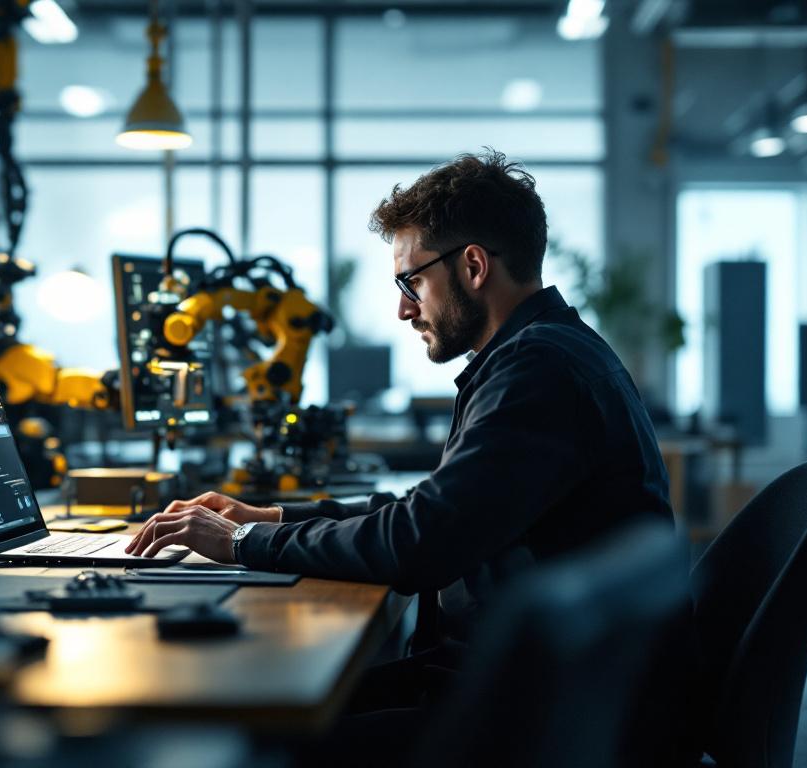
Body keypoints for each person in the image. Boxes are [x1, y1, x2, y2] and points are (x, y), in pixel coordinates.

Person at [125, 150, 678, 728]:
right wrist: (273, 517)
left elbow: (419, 543)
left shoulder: (537, 373)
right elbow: (436, 512)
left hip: (547, 718)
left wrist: (242, 542)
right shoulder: (542, 353)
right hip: (548, 690)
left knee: (251, 728)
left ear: (472, 267)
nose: (402, 308)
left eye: (411, 280)